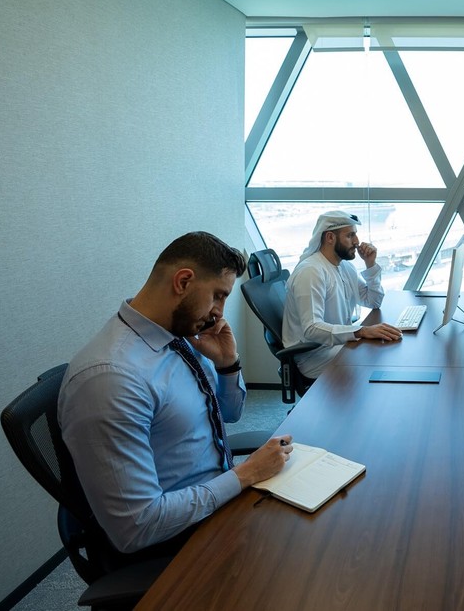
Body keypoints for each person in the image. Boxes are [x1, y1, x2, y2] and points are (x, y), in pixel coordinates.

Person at [58, 231, 294, 556]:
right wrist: (247, 474)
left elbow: (229, 413)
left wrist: (227, 365)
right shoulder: (112, 378)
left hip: (215, 501)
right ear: (183, 282)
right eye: (218, 295)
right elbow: (137, 527)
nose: (219, 313)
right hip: (176, 540)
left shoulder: (178, 335)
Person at [282, 210, 401, 384]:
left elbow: (374, 301)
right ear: (330, 238)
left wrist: (370, 265)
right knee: (375, 357)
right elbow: (312, 328)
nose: (357, 242)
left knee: (380, 349)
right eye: (350, 235)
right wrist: (361, 331)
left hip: (337, 344)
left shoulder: (345, 267)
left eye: (355, 235)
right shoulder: (311, 272)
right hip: (316, 355)